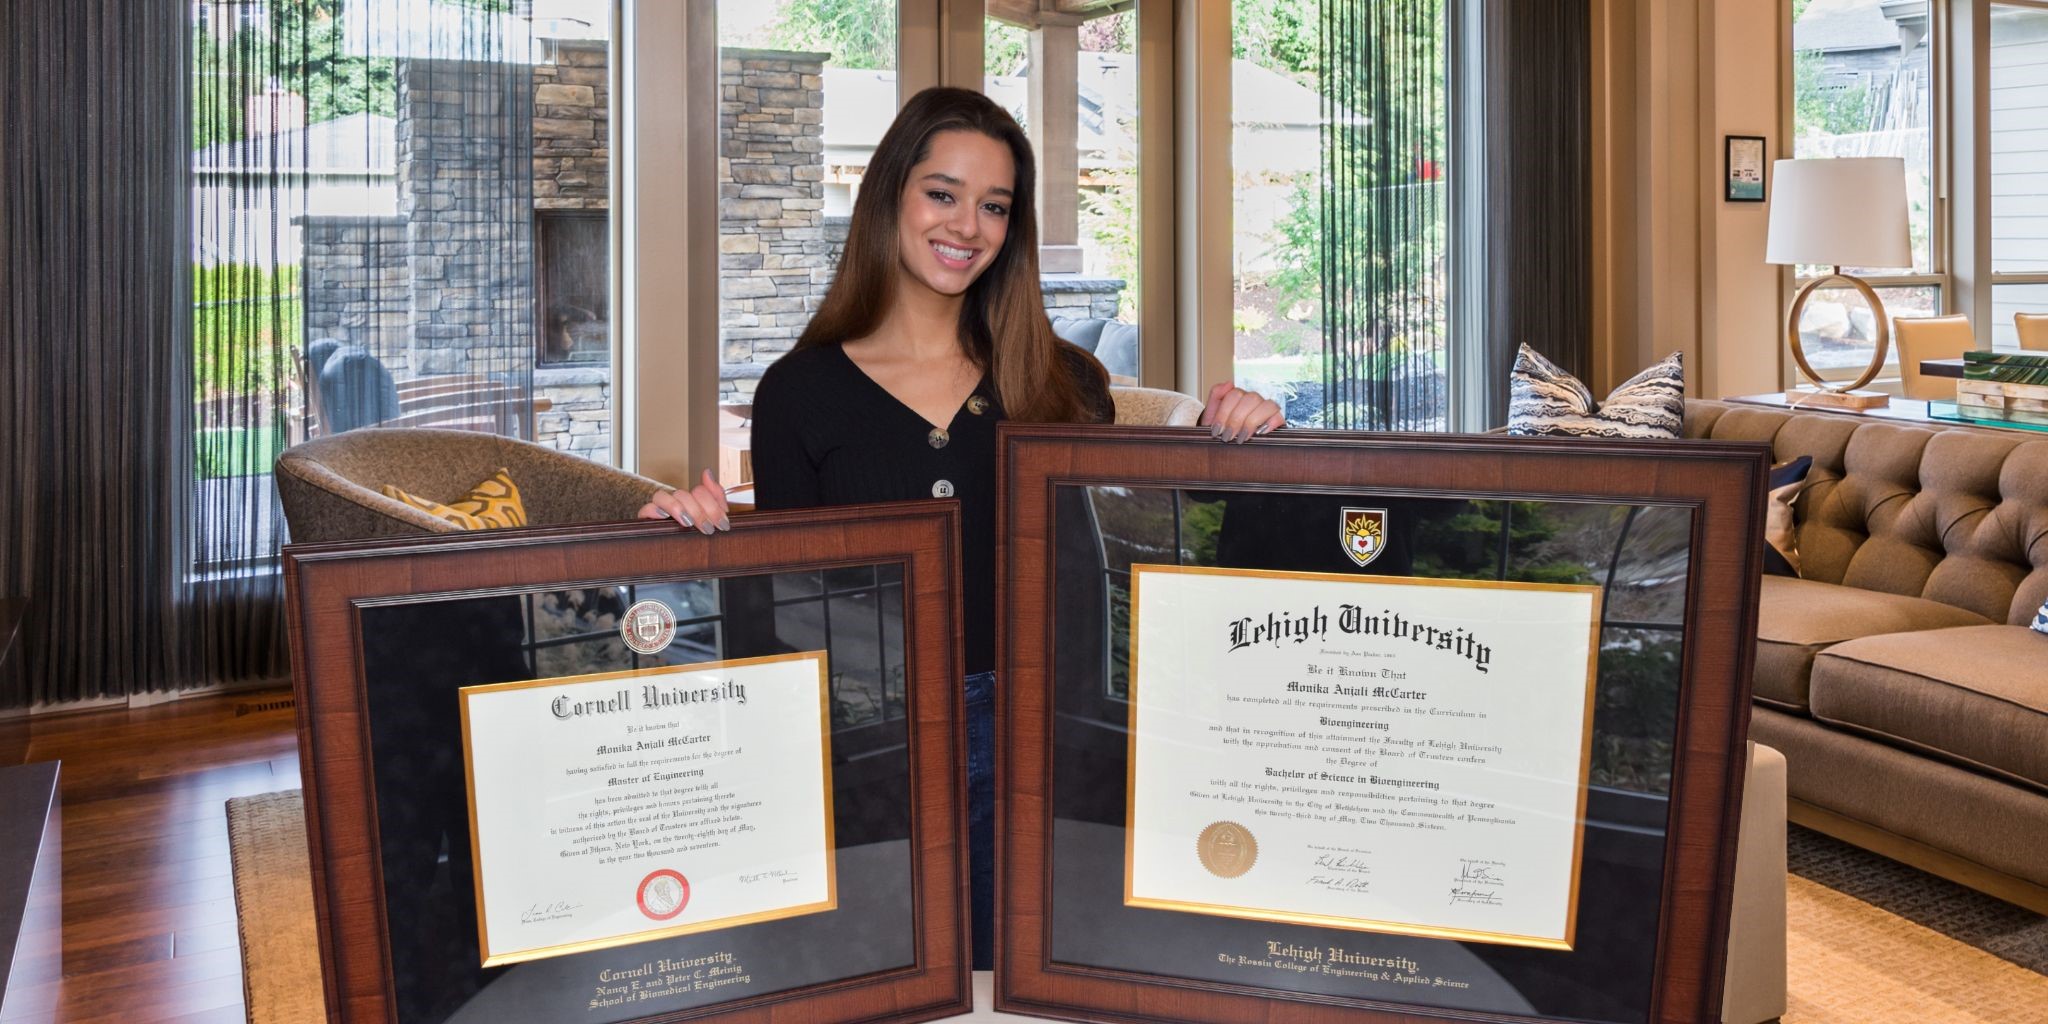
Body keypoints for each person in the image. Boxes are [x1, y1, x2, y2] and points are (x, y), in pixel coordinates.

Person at [640, 86, 1281, 969]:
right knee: (889, 976)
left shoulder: (1064, 382)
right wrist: (686, 541)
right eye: (943, 193)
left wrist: (1239, 440)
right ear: (892, 197)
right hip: (878, 752)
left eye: (995, 206)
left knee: (1046, 981)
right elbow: (787, 608)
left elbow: (1139, 541)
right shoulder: (802, 392)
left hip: (1051, 738)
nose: (968, 226)